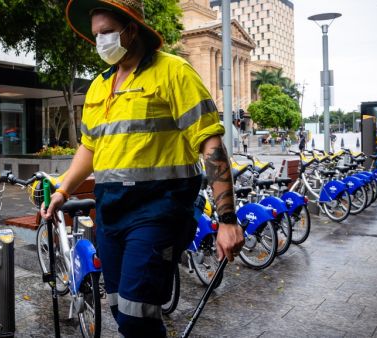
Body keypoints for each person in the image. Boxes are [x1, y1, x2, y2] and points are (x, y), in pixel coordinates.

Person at [44, 2, 245, 337]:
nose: (100, 42)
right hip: (110, 214)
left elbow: (211, 145)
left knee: (137, 317)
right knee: (120, 309)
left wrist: (227, 219)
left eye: (107, 32)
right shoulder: (99, 86)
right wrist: (63, 191)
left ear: (131, 29)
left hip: (159, 210)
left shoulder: (174, 72)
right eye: (96, 35)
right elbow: (89, 148)